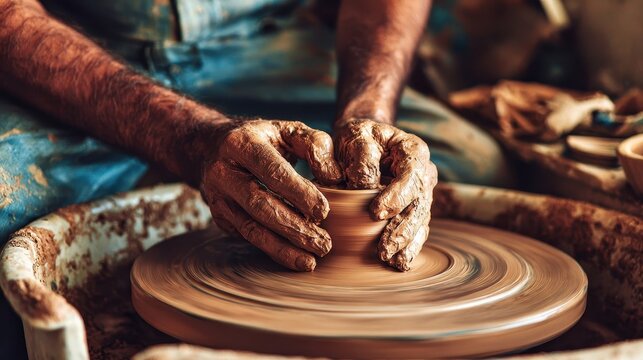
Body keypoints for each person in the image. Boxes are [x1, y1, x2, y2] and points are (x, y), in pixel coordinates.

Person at [0, 0, 509, 355]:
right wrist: (189, 140)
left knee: (473, 165)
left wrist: (367, 112)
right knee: (10, 215)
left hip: (267, 49)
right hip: (78, 53)